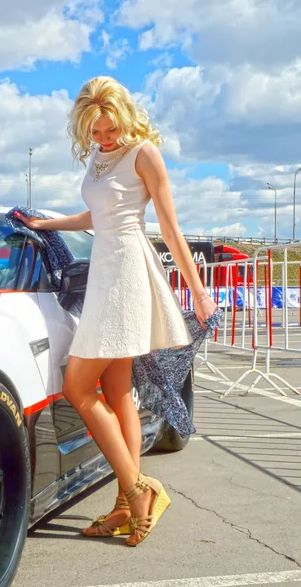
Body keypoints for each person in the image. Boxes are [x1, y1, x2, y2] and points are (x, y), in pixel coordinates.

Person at [14, 76, 218, 546]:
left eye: (110, 130)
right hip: (105, 268)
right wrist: (46, 223)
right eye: (95, 132)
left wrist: (198, 291)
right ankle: (126, 505)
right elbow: (95, 216)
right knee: (117, 392)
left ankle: (140, 488)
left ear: (126, 117)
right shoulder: (99, 159)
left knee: (78, 388)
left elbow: (169, 227)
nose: (104, 139)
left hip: (126, 271)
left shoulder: (144, 153)